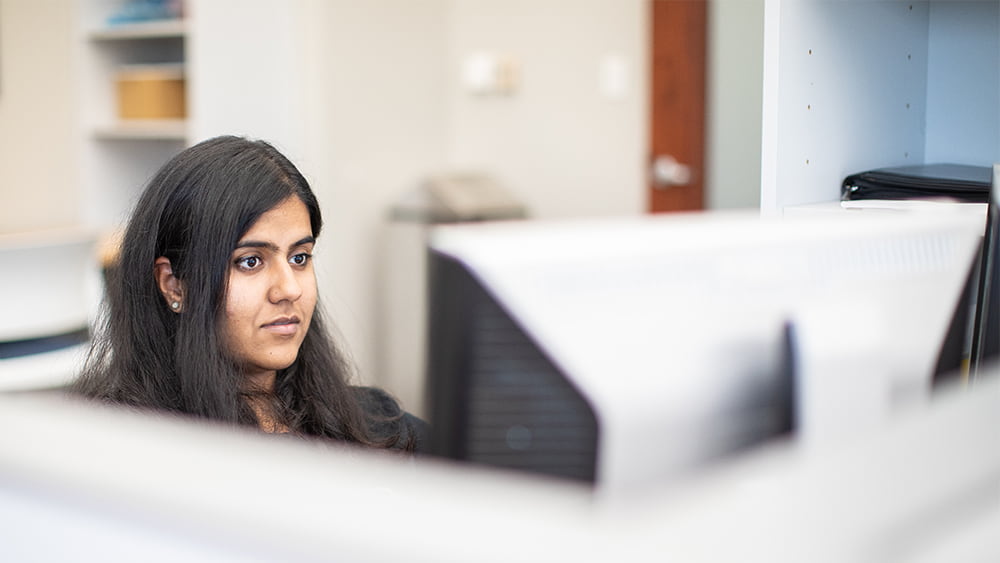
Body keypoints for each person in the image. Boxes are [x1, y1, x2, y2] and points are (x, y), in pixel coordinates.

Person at [72, 135, 427, 452]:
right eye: (251, 261)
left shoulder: (373, 426)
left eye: (299, 257)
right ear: (173, 284)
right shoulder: (125, 448)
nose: (289, 289)